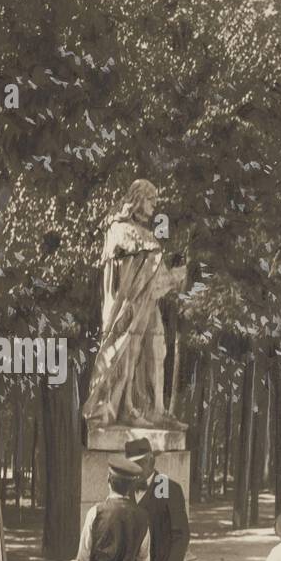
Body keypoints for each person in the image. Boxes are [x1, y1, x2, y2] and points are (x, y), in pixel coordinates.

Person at [82, 180, 187, 428]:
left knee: (157, 350)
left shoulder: (146, 234)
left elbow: (155, 277)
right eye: (151, 200)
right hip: (129, 308)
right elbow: (127, 275)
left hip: (148, 305)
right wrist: (168, 275)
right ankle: (126, 407)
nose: (154, 206)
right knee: (128, 355)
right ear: (138, 200)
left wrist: (173, 277)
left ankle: (156, 409)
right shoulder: (120, 230)